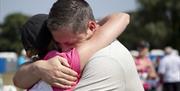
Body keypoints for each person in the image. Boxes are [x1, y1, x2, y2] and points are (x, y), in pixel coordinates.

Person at [14, 0, 144, 91]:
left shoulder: (104, 59)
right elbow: (122, 17)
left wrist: (37, 67)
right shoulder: (67, 60)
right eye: (58, 44)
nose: (64, 50)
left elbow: (17, 80)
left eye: (69, 43)